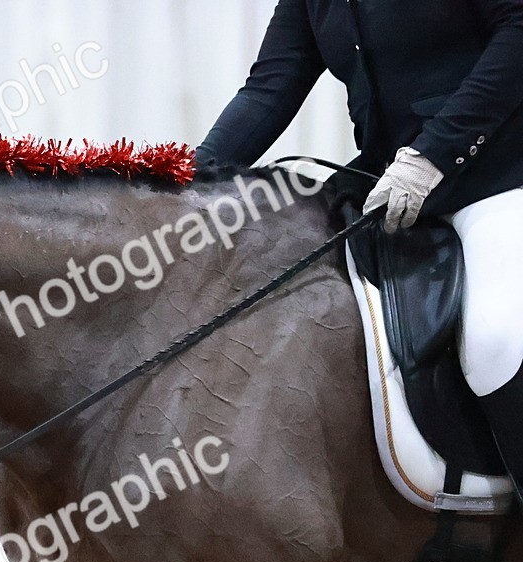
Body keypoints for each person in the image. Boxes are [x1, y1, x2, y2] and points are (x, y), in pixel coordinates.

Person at [195, 0, 523, 498]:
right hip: (389, 189)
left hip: (499, 174)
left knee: (493, 338)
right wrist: (188, 182)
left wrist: (435, 154)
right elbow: (269, 88)